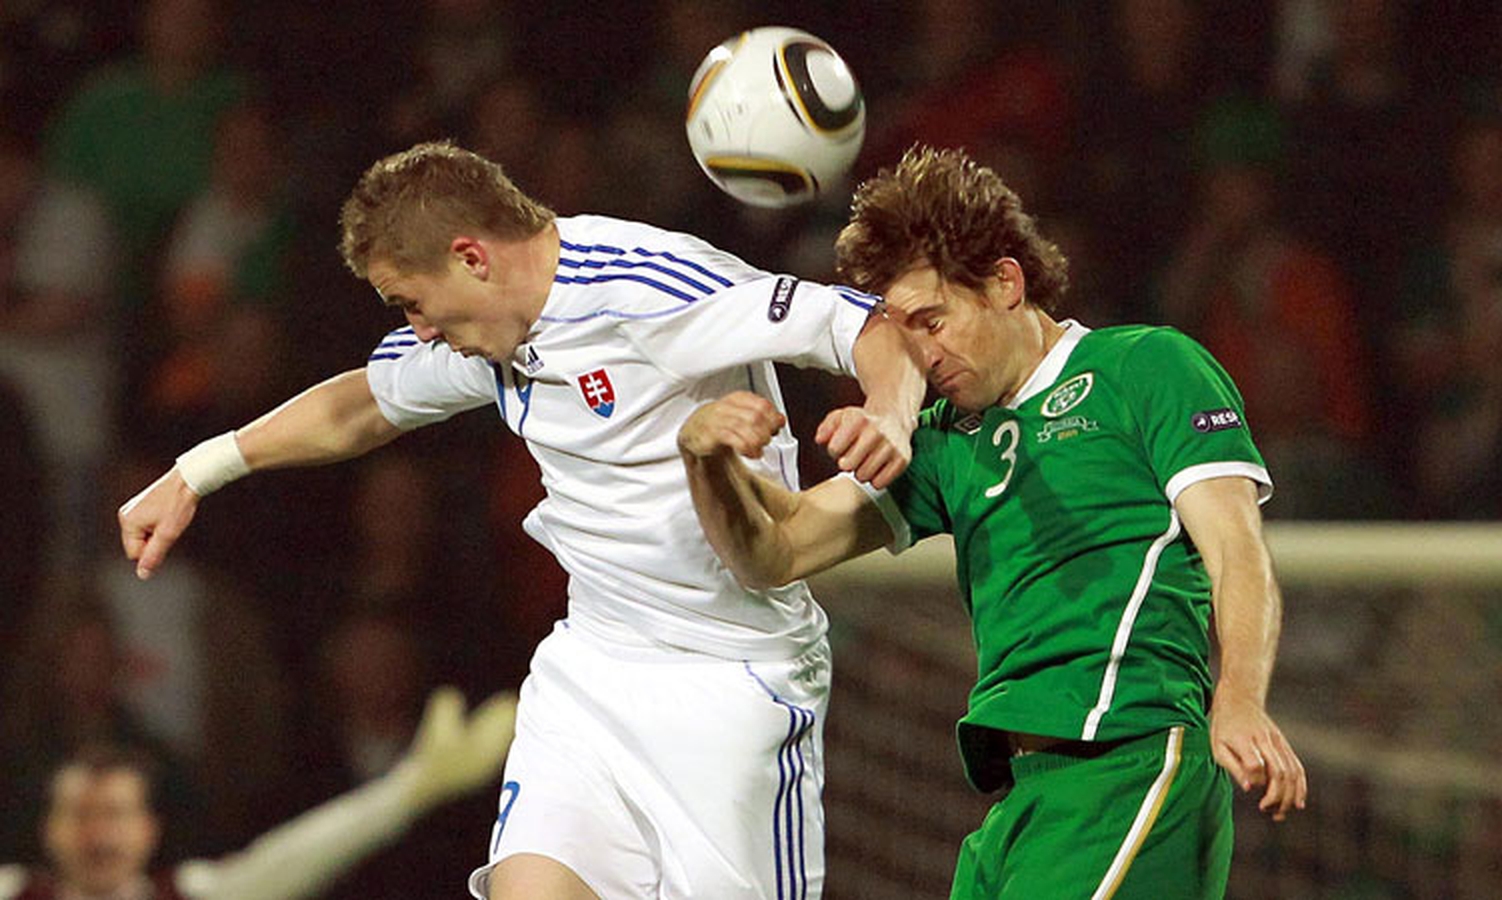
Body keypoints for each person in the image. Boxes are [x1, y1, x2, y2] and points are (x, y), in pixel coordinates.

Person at [118, 141, 923, 900]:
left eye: (413, 303)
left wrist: (888, 412)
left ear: (472, 257)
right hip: (592, 670)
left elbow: (861, 324)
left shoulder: (642, 288)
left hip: (731, 680)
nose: (419, 331)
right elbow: (364, 404)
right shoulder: (490, 334)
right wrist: (198, 471)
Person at [677, 146, 1307, 898]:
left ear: (1006, 282)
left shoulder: (1145, 367)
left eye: (933, 320)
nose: (923, 354)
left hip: (1131, 765)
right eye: (905, 335)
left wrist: (1238, 699)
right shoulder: (944, 441)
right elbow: (776, 551)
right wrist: (707, 459)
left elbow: (1237, 551)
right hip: (1021, 804)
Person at [0, 687, 514, 900]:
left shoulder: (192, 894)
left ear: (148, 829)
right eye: (81, 814)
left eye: (114, 814)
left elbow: (297, 856)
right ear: (48, 828)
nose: (98, 835)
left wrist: (409, 791)